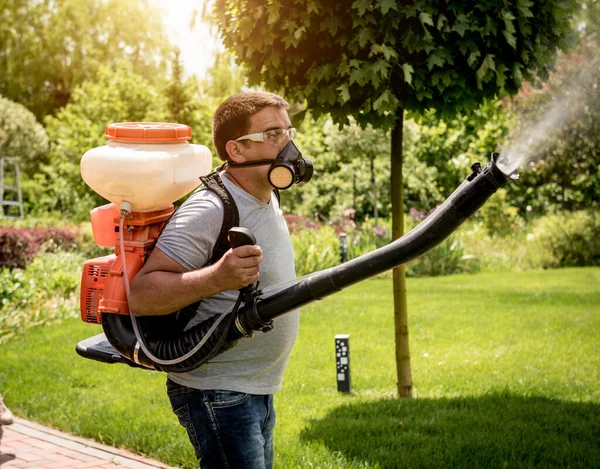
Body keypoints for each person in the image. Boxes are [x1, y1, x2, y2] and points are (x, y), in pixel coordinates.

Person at [130, 91, 302, 469]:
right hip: (217, 390)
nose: (288, 144)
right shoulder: (209, 209)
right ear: (236, 150)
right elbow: (140, 295)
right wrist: (217, 277)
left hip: (254, 386)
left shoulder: (265, 192)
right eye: (273, 134)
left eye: (288, 131)